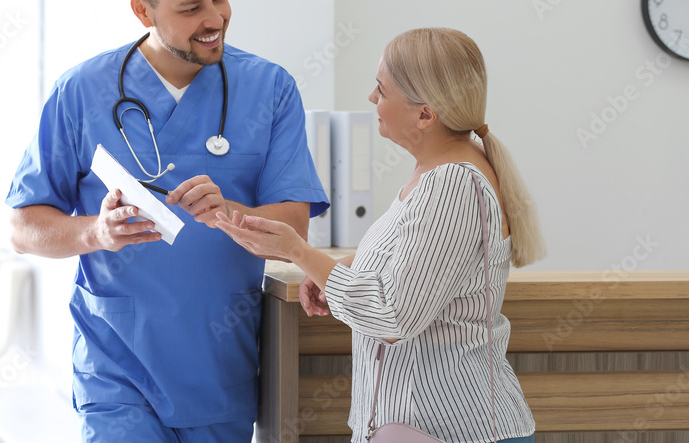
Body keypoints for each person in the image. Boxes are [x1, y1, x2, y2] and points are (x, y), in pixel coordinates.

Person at [6, 0, 329, 442]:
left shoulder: (269, 89)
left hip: (218, 370)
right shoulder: (82, 93)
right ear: (142, 10)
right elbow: (23, 227)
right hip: (117, 371)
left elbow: (294, 227)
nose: (215, 19)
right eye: (191, 8)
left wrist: (228, 213)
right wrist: (96, 232)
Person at [217, 27, 545, 443]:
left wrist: (299, 252)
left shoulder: (453, 184)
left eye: (382, 89)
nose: (372, 98)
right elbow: (416, 261)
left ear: (425, 115)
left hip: (452, 430)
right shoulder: (433, 174)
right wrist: (334, 271)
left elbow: (393, 316)